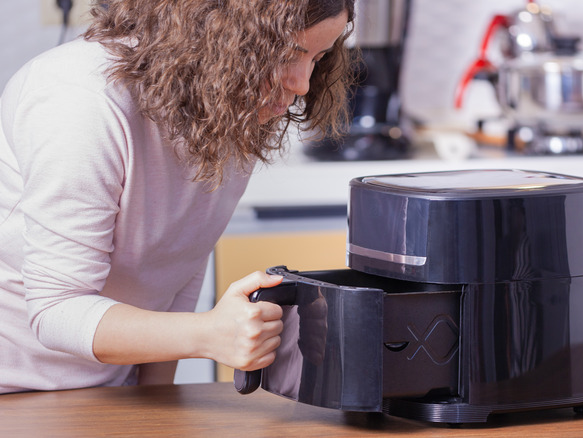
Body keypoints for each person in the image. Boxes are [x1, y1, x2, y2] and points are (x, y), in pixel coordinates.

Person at [0, 0, 356, 394]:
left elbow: (176, 269)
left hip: (113, 392)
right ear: (215, 30)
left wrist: (155, 401)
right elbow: (55, 311)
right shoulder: (79, 100)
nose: (302, 84)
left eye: (318, 58)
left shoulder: (226, 107)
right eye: (287, 54)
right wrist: (208, 334)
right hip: (14, 392)